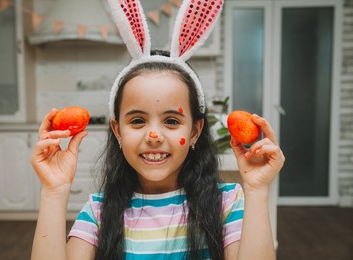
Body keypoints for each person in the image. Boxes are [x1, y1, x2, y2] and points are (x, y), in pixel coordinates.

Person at [30, 0, 285, 259]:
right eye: (138, 121)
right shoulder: (98, 212)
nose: (154, 136)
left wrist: (257, 190)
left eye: (172, 121)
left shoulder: (227, 203)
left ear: (195, 131)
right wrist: (54, 191)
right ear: (117, 131)